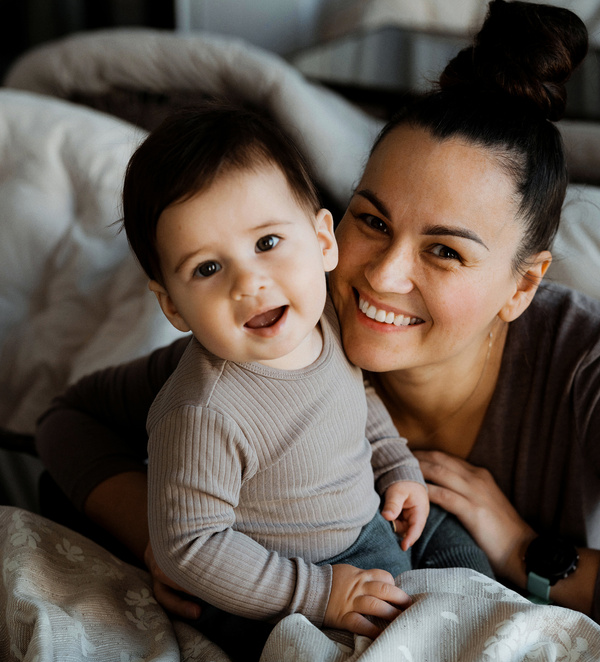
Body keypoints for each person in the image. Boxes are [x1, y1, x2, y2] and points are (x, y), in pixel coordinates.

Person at [36, 0, 598, 630]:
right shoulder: (275, 330)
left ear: (523, 285)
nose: (382, 277)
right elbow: (68, 422)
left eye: (444, 251)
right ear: (335, 228)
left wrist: (525, 550)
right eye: (373, 221)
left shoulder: (582, 364)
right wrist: (164, 546)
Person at [117, 101, 433, 640]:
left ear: (323, 242)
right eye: (207, 268)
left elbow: (355, 400)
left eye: (267, 243)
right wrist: (317, 594)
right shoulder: (203, 411)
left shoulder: (328, 319)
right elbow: (189, 545)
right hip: (272, 586)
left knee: (463, 558)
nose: (249, 283)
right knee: (338, 659)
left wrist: (396, 464)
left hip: (368, 531)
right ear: (172, 306)